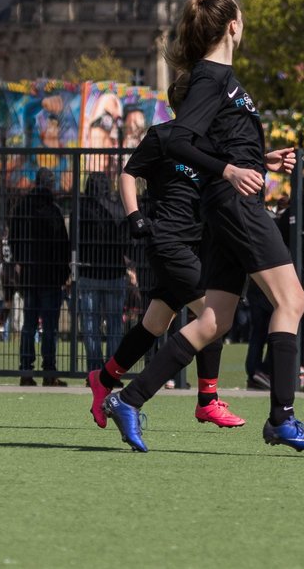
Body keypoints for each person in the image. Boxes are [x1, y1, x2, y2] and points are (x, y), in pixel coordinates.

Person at [102, 0, 304, 452]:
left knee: (215, 320)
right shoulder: (210, 76)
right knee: (293, 300)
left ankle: (130, 398)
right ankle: (282, 418)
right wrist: (230, 170)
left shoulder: (220, 78)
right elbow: (179, 140)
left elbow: (210, 143)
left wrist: (259, 160)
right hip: (234, 204)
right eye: (241, 18)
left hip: (225, 201)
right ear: (232, 26)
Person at [86, 119, 246, 430]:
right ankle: (207, 401)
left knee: (155, 324)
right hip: (169, 243)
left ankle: (102, 378)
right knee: (212, 317)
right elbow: (128, 173)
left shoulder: (212, 138)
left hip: (197, 246)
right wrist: (135, 217)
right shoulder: (163, 135)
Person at [9, 167, 71, 386]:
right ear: (51, 184)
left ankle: (26, 370)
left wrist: (21, 262)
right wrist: (65, 273)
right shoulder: (53, 210)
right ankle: (49, 372)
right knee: (49, 327)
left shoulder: (22, 208)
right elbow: (62, 245)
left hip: (29, 273)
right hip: (51, 275)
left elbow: (13, 239)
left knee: (29, 324)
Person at [77, 171, 129, 375]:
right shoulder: (118, 208)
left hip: (89, 271)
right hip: (115, 272)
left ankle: (94, 369)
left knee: (90, 324)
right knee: (116, 323)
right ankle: (112, 372)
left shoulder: (81, 208)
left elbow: (76, 240)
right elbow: (126, 240)